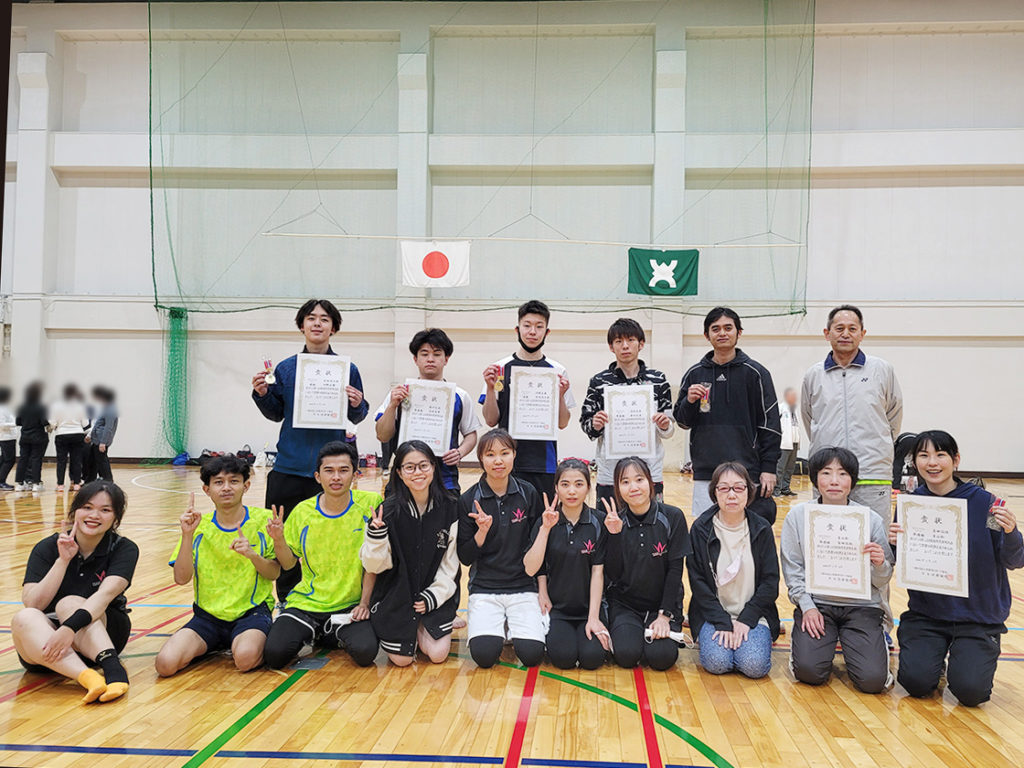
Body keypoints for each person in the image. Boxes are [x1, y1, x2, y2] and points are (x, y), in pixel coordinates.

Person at [890, 431, 1023, 707]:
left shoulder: (988, 504)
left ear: (956, 460)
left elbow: (1014, 560)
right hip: (928, 613)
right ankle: (932, 659)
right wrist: (892, 544)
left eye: (940, 455)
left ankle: (977, 652)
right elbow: (897, 562)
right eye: (924, 456)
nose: (932, 462)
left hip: (977, 616)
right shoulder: (911, 505)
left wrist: (1011, 532)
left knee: (971, 693)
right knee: (915, 683)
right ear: (915, 462)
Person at [251, 299, 369, 599]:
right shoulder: (286, 368)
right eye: (311, 318)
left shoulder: (347, 369)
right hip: (289, 467)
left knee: (332, 539)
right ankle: (288, 601)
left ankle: (331, 597)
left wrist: (358, 403)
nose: (318, 323)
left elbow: (357, 415)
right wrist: (262, 393)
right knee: (283, 541)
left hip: (331, 471)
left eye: (325, 319)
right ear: (302, 325)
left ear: (334, 328)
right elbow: (276, 412)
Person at [11, 481, 138, 703]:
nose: (94, 515)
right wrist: (63, 560)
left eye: (105, 510)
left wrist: (69, 627)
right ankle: (87, 678)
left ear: (116, 518)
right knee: (24, 617)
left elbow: (105, 595)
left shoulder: (124, 548)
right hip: (50, 641)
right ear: (74, 511)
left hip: (102, 634)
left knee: (69, 603)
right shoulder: (47, 547)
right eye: (87, 507)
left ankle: (114, 670)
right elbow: (34, 603)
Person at [781, 447, 894, 693]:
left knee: (873, 682)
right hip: (818, 605)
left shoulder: (870, 519)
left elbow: (883, 578)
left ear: (852, 480)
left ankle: (873, 645)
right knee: (809, 672)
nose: (834, 481)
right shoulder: (798, 516)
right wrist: (807, 606)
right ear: (815, 478)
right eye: (826, 473)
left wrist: (879, 564)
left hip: (862, 606)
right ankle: (804, 647)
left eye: (842, 474)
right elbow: (793, 570)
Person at [155, 455, 280, 676]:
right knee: (165, 664)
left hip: (251, 614)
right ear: (207, 489)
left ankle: (243, 641)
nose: (226, 488)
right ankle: (215, 642)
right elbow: (181, 578)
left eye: (234, 481)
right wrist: (186, 535)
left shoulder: (264, 521)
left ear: (246, 486)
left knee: (245, 658)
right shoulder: (198, 527)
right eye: (218, 482)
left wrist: (252, 555)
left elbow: (274, 572)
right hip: (206, 617)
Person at [262, 440, 380, 669]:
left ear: (356, 475)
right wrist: (278, 540)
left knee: (366, 652)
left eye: (343, 470)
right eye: (329, 471)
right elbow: (287, 565)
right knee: (274, 654)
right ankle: (320, 631)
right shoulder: (302, 512)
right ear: (317, 476)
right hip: (307, 603)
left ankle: (328, 632)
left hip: (351, 605)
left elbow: (373, 563)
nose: (336, 477)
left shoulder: (371, 505)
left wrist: (365, 603)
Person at [673, 307, 782, 517]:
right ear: (707, 335)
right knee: (708, 535)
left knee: (746, 536)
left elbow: (770, 424)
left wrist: (769, 468)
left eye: (728, 328)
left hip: (747, 472)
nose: (722, 333)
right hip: (706, 472)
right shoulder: (694, 374)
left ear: (738, 332)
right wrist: (690, 401)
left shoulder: (757, 374)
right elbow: (683, 422)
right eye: (716, 329)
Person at [360, 440, 460, 666]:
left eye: (424, 466)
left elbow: (450, 565)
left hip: (433, 595)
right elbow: (374, 567)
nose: (418, 473)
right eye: (410, 467)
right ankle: (407, 626)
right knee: (402, 660)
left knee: (438, 654)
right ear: (399, 473)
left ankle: (423, 623)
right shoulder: (387, 511)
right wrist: (376, 538)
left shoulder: (451, 507)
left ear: (434, 468)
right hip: (396, 596)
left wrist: (433, 597)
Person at [801, 305, 902, 521]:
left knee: (876, 543)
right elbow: (810, 419)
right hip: (828, 475)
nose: (846, 334)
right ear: (827, 333)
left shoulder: (882, 370)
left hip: (872, 473)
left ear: (862, 334)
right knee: (829, 540)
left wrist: (878, 447)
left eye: (852, 328)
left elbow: (893, 416)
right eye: (839, 328)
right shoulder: (813, 375)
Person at [457, 429, 545, 669]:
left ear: (514, 455)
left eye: (505, 453)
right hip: (485, 587)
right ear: (481, 459)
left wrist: (542, 589)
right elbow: (465, 557)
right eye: (490, 454)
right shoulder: (468, 500)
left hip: (522, 586)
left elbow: (539, 547)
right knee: (484, 657)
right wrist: (481, 532)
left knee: (532, 655)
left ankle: (511, 625)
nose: (498, 460)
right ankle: (499, 626)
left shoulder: (528, 493)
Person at [687, 462, 779, 678]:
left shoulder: (761, 529)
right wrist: (722, 621)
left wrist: (747, 619)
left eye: (738, 488)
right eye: (724, 488)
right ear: (714, 492)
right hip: (714, 615)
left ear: (748, 492)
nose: (731, 495)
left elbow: (770, 582)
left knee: (753, 666)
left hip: (755, 614)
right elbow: (697, 582)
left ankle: (751, 644)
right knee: (717, 662)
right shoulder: (701, 529)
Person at [480, 300, 575, 500]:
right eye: (527, 325)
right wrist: (490, 388)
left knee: (542, 522)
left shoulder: (557, 371)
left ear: (547, 332)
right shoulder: (499, 368)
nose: (533, 331)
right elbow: (490, 420)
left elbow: (563, 422)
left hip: (544, 463)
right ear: (517, 329)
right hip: (506, 462)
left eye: (539, 326)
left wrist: (559, 395)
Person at [602, 457, 689, 671]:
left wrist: (664, 616)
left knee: (662, 658)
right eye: (625, 482)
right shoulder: (614, 522)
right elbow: (612, 574)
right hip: (626, 606)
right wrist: (613, 536)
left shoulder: (673, 517)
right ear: (618, 488)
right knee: (626, 655)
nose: (633, 487)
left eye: (639, 479)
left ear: (650, 482)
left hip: (662, 606)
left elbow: (675, 570)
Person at [523, 458, 609, 669]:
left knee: (592, 659)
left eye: (579, 484)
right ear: (556, 488)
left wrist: (594, 618)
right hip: (557, 608)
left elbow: (598, 573)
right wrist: (545, 529)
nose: (572, 491)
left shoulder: (599, 522)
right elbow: (532, 568)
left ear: (589, 488)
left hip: (589, 607)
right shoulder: (546, 521)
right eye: (565, 484)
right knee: (563, 659)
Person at [580, 318, 675, 505]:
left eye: (630, 340)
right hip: (610, 473)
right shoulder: (599, 381)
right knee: (608, 526)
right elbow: (586, 423)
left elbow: (669, 429)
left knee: (651, 527)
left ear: (641, 344)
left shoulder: (658, 380)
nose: (625, 346)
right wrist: (595, 424)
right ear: (611, 347)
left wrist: (665, 425)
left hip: (649, 470)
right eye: (618, 341)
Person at [375, 329, 480, 495]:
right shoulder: (399, 394)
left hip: (445, 479)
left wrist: (460, 452)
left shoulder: (460, 395)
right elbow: (382, 435)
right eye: (424, 354)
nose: (430, 359)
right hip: (404, 479)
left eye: (437, 354)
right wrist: (392, 406)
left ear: (446, 359)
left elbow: (470, 434)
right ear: (415, 359)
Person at [49, 384, 90, 492]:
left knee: (61, 461)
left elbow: (52, 422)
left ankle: (60, 485)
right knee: (76, 460)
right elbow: (85, 423)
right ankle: (76, 483)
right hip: (77, 433)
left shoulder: (56, 406)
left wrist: (56, 426)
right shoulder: (80, 405)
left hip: (62, 434)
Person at [15, 381, 48, 492]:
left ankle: (20, 484)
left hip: (24, 436)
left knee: (23, 459)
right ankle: (35, 483)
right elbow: (44, 422)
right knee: (36, 460)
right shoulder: (40, 407)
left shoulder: (22, 407)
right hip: (38, 436)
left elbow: (18, 421)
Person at [83, 386, 118, 484]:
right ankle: (90, 480)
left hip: (101, 440)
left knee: (102, 460)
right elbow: (98, 423)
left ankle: (108, 480)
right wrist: (91, 436)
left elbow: (108, 428)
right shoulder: (106, 408)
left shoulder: (111, 410)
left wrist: (103, 442)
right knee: (93, 460)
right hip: (97, 439)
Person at [775, 387, 801, 498]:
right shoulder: (781, 408)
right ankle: (776, 489)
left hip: (794, 442)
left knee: (790, 467)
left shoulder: (795, 410)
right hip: (784, 443)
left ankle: (785, 488)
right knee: (780, 467)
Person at [0, 386, 17, 491]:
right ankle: (1, 481)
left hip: (8, 437)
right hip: (6, 437)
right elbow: (1, 424)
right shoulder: (2, 409)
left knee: (3, 459)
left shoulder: (5, 407)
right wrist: (15, 423)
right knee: (9, 460)